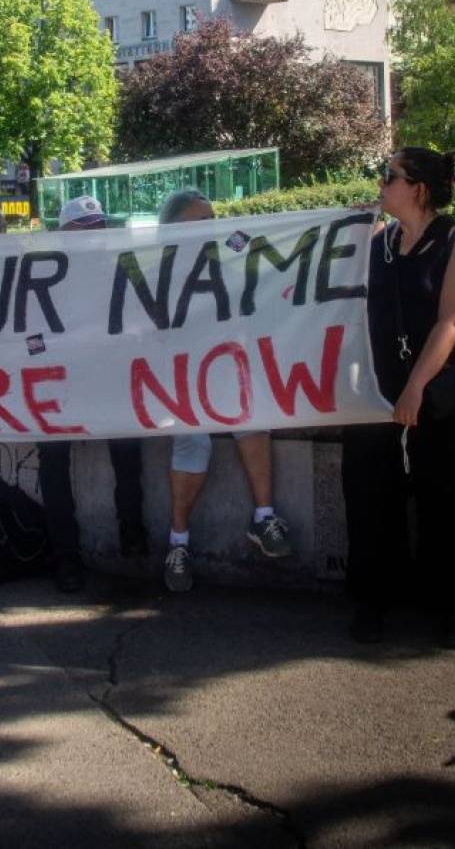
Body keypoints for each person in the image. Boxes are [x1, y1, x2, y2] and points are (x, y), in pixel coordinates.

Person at [344, 149, 455, 648]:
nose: (381, 184)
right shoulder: (381, 242)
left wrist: (415, 389)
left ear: (419, 190)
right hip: (381, 389)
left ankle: (451, 605)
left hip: (441, 391)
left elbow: (451, 321)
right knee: (369, 495)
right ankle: (372, 599)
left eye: (390, 177)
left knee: (444, 499)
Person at [157, 189, 292, 594]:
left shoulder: (228, 269)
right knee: (192, 440)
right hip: (178, 381)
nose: (212, 228)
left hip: (223, 374)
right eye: (201, 222)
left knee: (252, 417)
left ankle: (264, 517)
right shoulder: (157, 275)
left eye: (213, 219)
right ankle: (177, 543)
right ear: (173, 229)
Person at [37, 195, 146, 593]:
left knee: (129, 445)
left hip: (109, 377)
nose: (95, 234)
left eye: (99, 226)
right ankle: (65, 555)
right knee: (51, 455)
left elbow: (145, 318)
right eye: (86, 228)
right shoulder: (44, 272)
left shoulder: (122, 266)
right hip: (58, 383)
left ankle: (132, 530)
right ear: (64, 234)